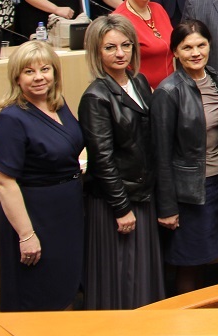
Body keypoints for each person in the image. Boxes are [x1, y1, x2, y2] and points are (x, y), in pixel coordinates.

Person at [0, 40, 83, 312]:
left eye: (45, 69)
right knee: (37, 297)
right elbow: (4, 183)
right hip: (35, 218)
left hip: (67, 213)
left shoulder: (58, 105)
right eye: (29, 72)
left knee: (65, 289)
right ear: (16, 77)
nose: (39, 77)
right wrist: (26, 235)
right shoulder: (11, 119)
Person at [78, 15, 163, 308]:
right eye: (110, 47)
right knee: (123, 279)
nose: (120, 53)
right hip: (117, 203)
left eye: (126, 45)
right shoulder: (95, 96)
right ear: (96, 52)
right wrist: (122, 208)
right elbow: (102, 159)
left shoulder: (138, 81)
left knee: (143, 277)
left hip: (143, 195)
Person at [152, 19, 218, 294]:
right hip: (187, 193)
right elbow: (160, 154)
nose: (195, 53)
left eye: (201, 45)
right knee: (187, 262)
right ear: (175, 52)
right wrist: (167, 207)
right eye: (187, 48)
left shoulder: (215, 80)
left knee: (206, 259)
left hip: (215, 184)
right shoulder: (168, 91)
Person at [115, 0, 175, 88]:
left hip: (170, 90)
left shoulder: (158, 9)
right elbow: (120, 67)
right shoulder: (119, 20)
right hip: (142, 93)